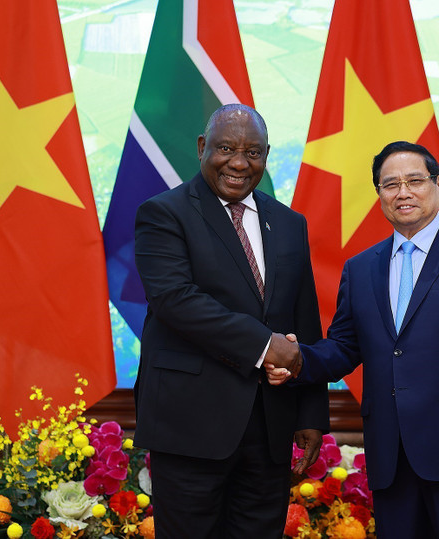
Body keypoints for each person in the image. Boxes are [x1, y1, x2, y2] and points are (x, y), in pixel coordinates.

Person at [267, 141, 439, 538]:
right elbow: (343, 346)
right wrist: (295, 360)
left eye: (414, 180)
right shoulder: (360, 269)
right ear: (379, 194)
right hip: (392, 457)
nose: (403, 192)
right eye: (390, 184)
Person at [133, 103, 328, 539]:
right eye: (225, 148)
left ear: (266, 155)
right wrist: (266, 345)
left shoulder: (289, 223)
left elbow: (304, 319)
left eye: (253, 152)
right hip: (190, 427)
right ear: (203, 147)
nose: (239, 163)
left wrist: (312, 411)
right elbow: (176, 300)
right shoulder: (163, 214)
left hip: (270, 427)